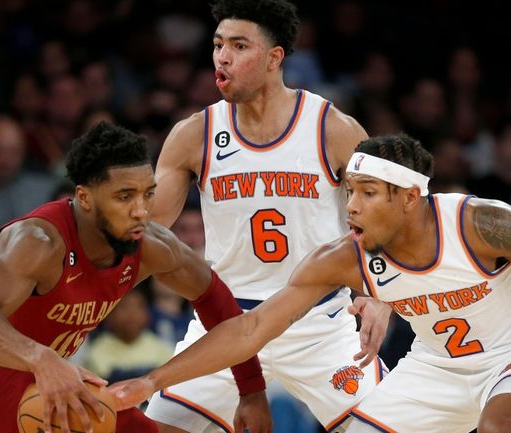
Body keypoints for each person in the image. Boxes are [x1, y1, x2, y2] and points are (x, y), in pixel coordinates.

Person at [115, 133, 511, 433]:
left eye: (368, 193)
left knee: (503, 426)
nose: (350, 206)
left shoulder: (478, 223)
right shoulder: (344, 259)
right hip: (435, 368)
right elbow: (248, 331)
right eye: (349, 191)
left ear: (409, 199)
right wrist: (155, 380)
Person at [0, 122, 268, 433]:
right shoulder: (38, 242)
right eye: (124, 197)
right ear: (84, 197)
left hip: (36, 374)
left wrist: (251, 390)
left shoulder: (150, 245)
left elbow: (217, 302)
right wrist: (42, 359)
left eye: (148, 194)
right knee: (79, 420)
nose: (141, 211)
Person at [144, 1, 390, 432]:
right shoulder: (193, 135)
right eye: (219, 45)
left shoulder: (331, 128)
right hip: (225, 323)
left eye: (240, 46)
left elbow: (387, 219)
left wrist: (378, 294)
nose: (223, 56)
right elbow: (145, 229)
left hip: (318, 320)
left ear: (275, 58)